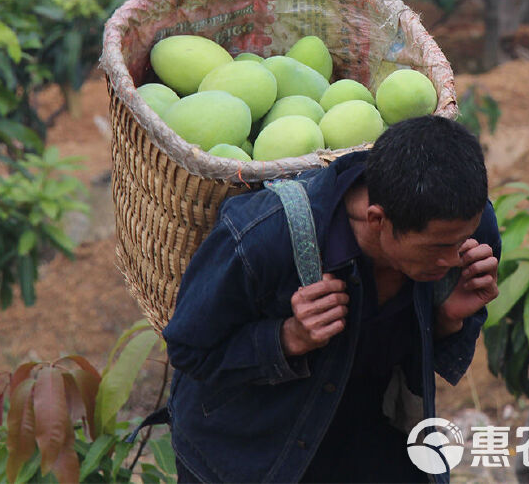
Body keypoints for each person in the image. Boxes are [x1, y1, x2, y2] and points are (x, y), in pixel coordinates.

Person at [163, 115, 501, 484]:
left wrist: (448, 320)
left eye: (459, 242)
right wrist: (287, 339)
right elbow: (189, 350)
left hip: (365, 438)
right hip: (249, 454)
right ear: (377, 220)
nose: (454, 258)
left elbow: (426, 353)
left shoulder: (466, 228)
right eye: (439, 247)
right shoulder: (261, 237)